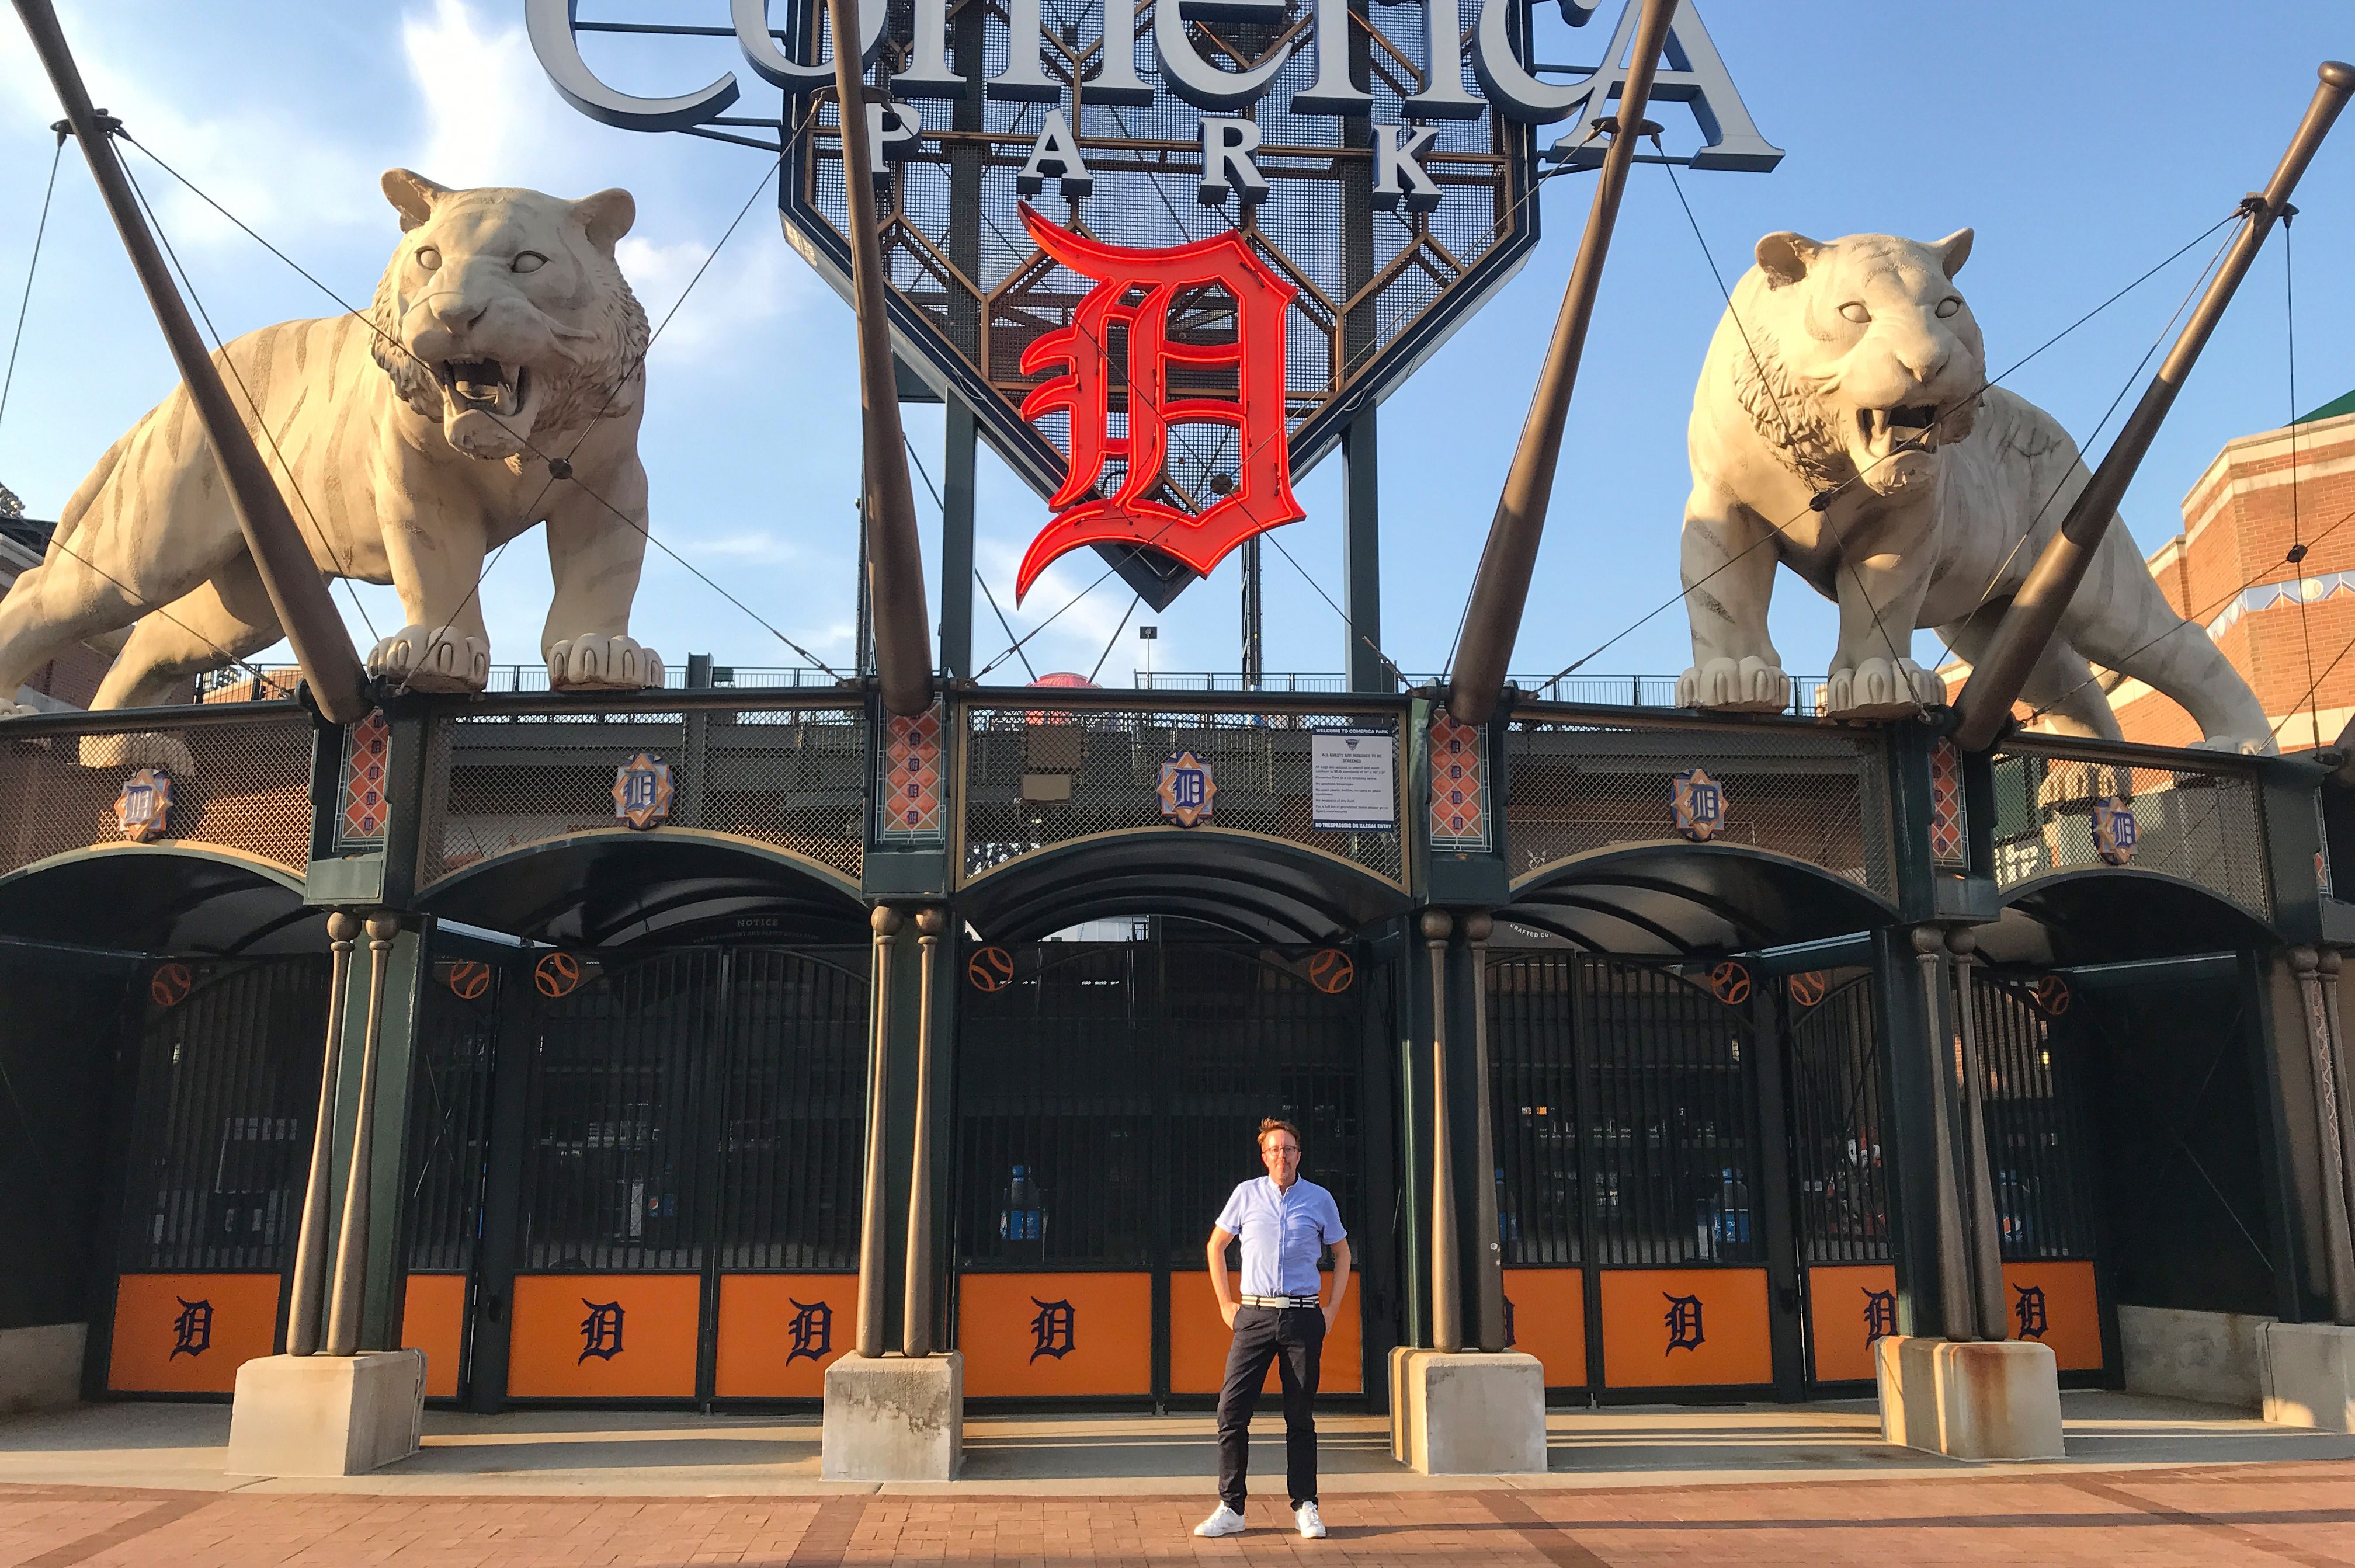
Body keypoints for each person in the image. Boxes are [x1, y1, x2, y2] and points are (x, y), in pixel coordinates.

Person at [1194, 1117, 1350, 1541]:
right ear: (1264, 1156)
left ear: (1300, 1155)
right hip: (1255, 1315)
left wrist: (1331, 1308)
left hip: (1302, 1315)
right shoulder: (1246, 1195)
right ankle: (1231, 1506)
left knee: (1300, 1414)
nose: (1282, 1155)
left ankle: (1306, 1504)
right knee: (1231, 1410)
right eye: (1274, 1149)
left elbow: (1341, 1251)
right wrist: (1226, 1303)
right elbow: (1216, 1246)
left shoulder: (1319, 1199)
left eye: (1289, 1149)